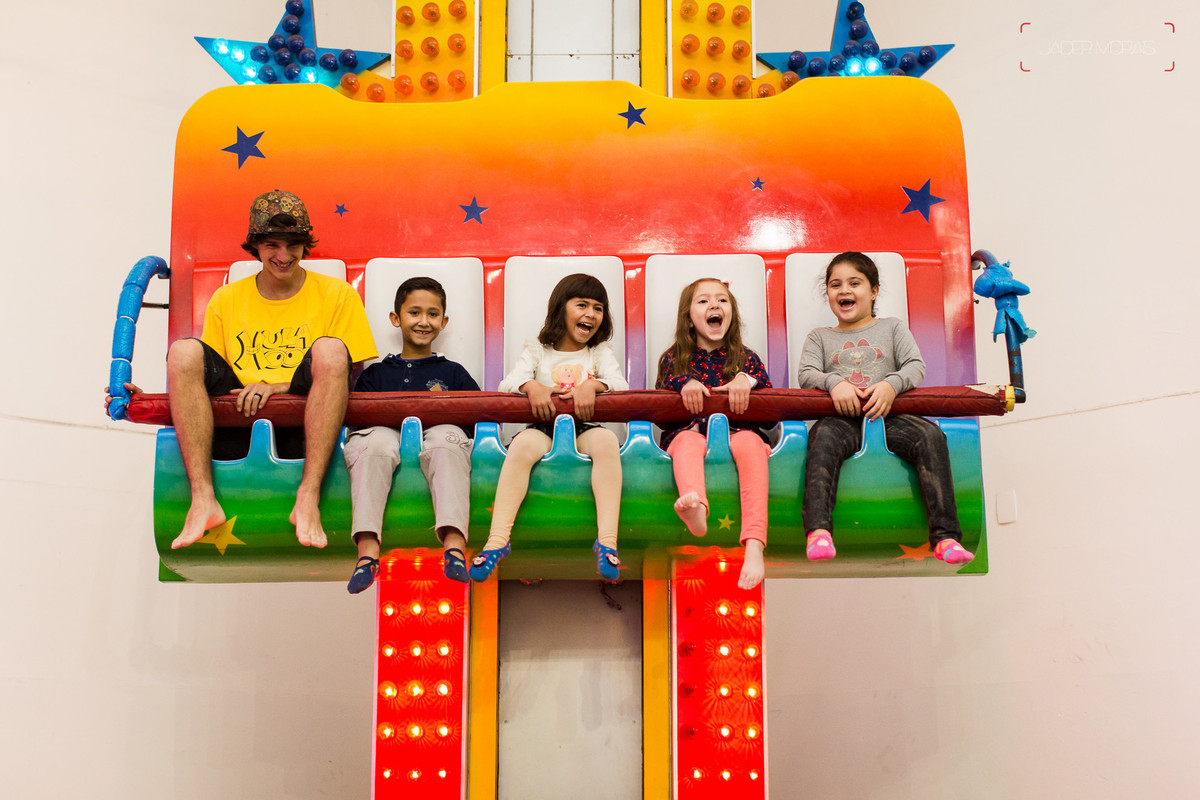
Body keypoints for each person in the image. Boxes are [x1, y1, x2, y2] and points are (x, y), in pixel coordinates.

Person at [106, 190, 378, 551]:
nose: (283, 256)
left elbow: (352, 372)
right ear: (256, 246)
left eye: (293, 244)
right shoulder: (227, 298)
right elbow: (201, 378)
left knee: (330, 349)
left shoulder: (337, 294)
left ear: (305, 245)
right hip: (237, 421)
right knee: (184, 352)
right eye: (272, 245)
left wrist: (278, 387)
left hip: (307, 421)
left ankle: (308, 497)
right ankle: (203, 499)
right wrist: (154, 399)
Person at [796, 251, 974, 565]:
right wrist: (834, 382)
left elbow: (915, 366)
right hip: (841, 419)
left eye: (855, 283)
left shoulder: (892, 328)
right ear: (827, 294)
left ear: (874, 291)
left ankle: (945, 537)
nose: (844, 290)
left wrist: (891, 385)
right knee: (821, 437)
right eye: (835, 285)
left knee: (929, 436)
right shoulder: (819, 337)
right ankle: (819, 530)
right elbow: (806, 374)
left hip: (890, 416)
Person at [470, 273, 629, 582]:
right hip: (541, 427)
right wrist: (531, 386)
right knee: (521, 447)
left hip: (586, 427)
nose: (590, 314)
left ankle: (607, 540)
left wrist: (593, 385)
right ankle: (497, 540)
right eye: (581, 305)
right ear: (561, 308)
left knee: (607, 444)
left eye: (598, 308)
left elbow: (620, 385)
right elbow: (507, 384)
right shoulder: (538, 349)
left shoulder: (598, 353)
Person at [341, 277, 479, 593]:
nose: (423, 321)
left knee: (447, 440)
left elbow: (475, 414)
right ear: (396, 318)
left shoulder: (453, 373)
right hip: (383, 437)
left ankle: (455, 546)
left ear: (443, 322)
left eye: (432, 314)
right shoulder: (375, 374)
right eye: (414, 312)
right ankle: (367, 552)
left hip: (439, 438)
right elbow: (358, 418)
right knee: (375, 444)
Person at [657, 278, 771, 591]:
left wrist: (745, 381)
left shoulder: (746, 358)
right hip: (691, 430)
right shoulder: (674, 359)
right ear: (688, 317)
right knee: (686, 443)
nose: (714, 306)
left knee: (752, 445)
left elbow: (767, 389)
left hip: (740, 431)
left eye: (722, 300)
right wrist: (685, 384)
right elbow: (662, 393)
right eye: (704, 301)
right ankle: (696, 510)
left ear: (731, 312)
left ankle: (754, 544)